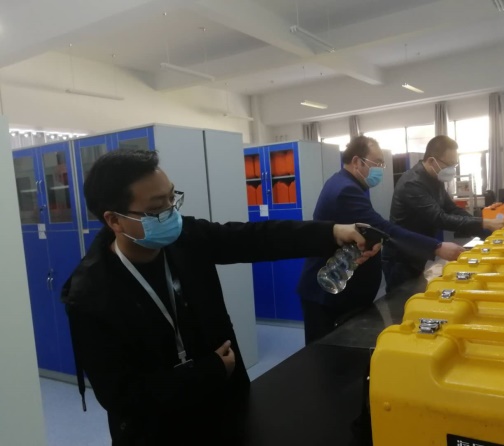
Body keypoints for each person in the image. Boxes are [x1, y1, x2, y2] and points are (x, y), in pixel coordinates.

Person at [61, 149, 380, 446]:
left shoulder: (185, 238)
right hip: (158, 431)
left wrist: (332, 233)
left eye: (172, 198)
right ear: (114, 220)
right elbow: (121, 395)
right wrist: (209, 371)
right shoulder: (90, 295)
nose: (171, 213)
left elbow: (256, 239)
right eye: (157, 209)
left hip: (228, 404)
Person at [296, 135, 464, 345]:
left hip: (343, 291)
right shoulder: (345, 190)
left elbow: (368, 232)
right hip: (330, 289)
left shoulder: (348, 184)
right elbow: (383, 228)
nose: (380, 169)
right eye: (377, 163)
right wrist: (436, 247)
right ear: (357, 161)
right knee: (325, 355)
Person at [382, 135, 504, 292]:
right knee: (402, 300)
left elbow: (452, 209)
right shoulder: (412, 183)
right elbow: (439, 218)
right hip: (401, 256)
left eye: (454, 164)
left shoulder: (434, 179)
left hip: (418, 251)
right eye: (449, 164)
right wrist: (484, 223)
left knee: (417, 292)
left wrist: (485, 230)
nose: (452, 169)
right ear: (432, 161)